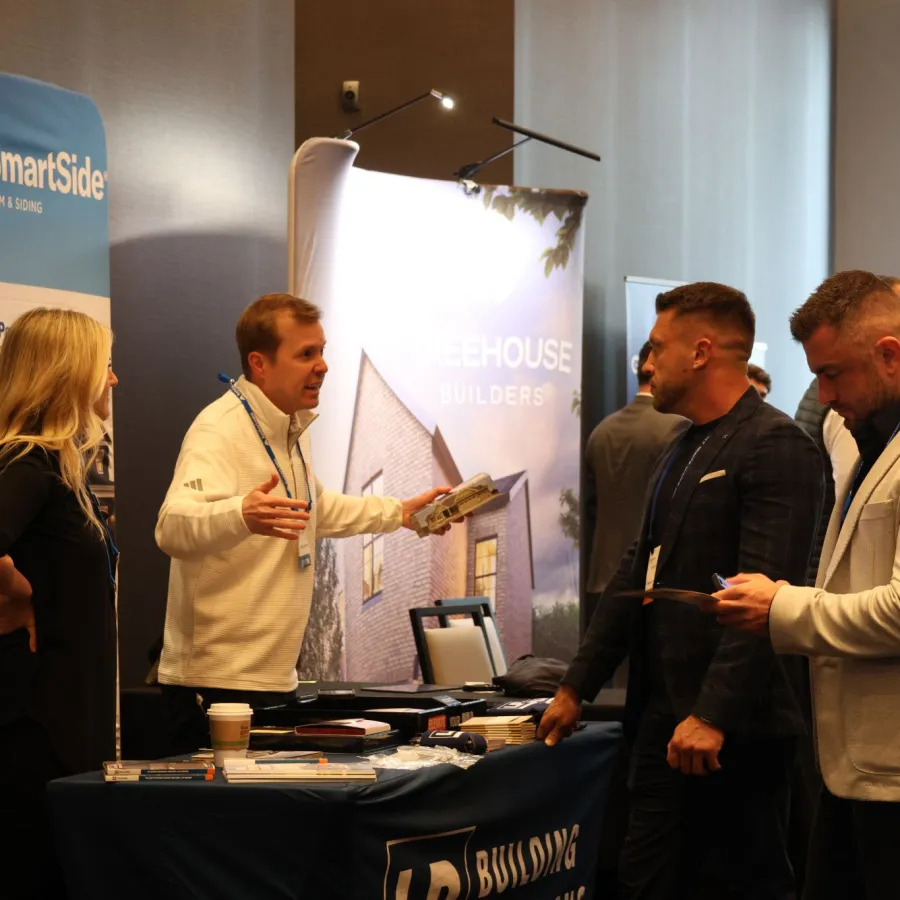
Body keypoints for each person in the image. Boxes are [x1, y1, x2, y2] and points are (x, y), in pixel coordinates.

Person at [538, 282, 823, 899]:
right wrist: (575, 684)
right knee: (643, 881)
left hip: (735, 732)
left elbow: (764, 600)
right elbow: (638, 569)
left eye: (658, 348)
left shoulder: (775, 445)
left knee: (740, 885)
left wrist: (712, 715)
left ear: (700, 353)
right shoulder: (681, 444)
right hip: (664, 719)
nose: (647, 364)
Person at [156, 293, 459, 753]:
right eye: (305, 354)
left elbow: (315, 510)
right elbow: (172, 526)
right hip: (216, 685)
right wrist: (240, 513)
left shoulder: (289, 429)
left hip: (272, 679)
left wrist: (399, 514)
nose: (323, 366)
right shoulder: (217, 429)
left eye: (322, 351)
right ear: (259, 364)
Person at [708, 269, 900, 900]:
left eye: (833, 374)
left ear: (889, 355)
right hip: (849, 762)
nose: (820, 394)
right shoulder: (853, 434)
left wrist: (781, 605)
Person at [0, 308, 119, 900]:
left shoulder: (59, 466)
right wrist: (16, 596)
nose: (113, 380)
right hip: (36, 730)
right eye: (105, 365)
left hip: (68, 722)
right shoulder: (27, 461)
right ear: (69, 373)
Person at [584, 340, 684, 607]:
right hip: (651, 586)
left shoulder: (601, 432)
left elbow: (590, 512)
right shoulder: (679, 428)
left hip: (601, 582)